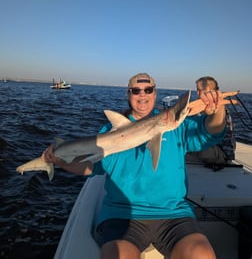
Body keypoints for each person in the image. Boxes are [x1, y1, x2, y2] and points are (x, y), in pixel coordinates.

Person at [42, 72, 227, 259]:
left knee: (202, 254)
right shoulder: (109, 131)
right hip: (123, 214)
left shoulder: (178, 126)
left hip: (173, 212)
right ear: (128, 94)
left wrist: (217, 109)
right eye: (136, 90)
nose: (142, 94)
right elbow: (91, 167)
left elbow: (210, 131)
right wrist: (61, 162)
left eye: (148, 90)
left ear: (155, 94)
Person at [195, 76, 236, 168]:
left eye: (199, 90)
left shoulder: (218, 108)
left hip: (221, 153)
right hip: (211, 148)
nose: (197, 93)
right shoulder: (204, 107)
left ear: (208, 89)